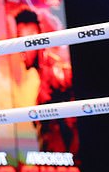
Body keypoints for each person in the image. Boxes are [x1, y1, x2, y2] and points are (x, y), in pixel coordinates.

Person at [14, 8, 78, 155]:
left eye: (20, 41)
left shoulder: (56, 72)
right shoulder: (43, 77)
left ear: (34, 37)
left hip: (65, 159)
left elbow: (73, 122)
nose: (20, 52)